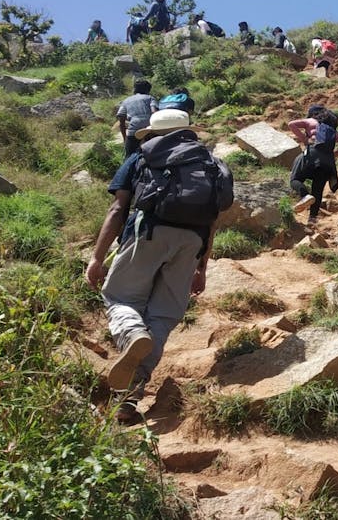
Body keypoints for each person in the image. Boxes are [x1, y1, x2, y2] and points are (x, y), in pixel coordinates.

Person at [85, 108, 233, 423]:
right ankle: (128, 399)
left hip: (147, 234)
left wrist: (98, 258)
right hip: (192, 243)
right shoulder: (211, 164)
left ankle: (132, 332)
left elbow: (117, 208)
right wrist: (201, 267)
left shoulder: (142, 158)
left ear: (154, 133)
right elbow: (213, 221)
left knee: (120, 298)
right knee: (163, 316)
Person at [287, 106, 338, 226]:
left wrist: (305, 140)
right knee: (318, 189)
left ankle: (305, 196)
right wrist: (331, 156)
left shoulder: (310, 121)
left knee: (295, 179)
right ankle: (312, 219)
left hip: (313, 153)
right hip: (328, 162)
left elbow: (291, 124)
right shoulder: (332, 130)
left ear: (313, 114)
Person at [116, 79, 158, 155]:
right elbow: (154, 112)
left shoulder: (126, 101)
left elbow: (121, 121)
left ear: (135, 89)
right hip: (150, 130)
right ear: (148, 90)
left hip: (134, 131)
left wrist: (125, 139)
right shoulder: (150, 98)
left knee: (129, 156)